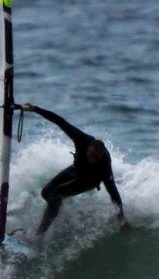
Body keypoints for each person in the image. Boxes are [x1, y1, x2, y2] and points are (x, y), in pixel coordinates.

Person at [15, 103, 129, 242]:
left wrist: (121, 219)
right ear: (87, 149)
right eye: (91, 156)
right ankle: (59, 212)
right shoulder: (81, 139)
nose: (93, 160)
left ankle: (40, 235)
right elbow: (60, 121)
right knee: (45, 193)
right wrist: (35, 109)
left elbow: (113, 193)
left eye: (96, 158)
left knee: (55, 196)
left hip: (89, 180)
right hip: (76, 169)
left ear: (101, 155)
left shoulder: (104, 166)